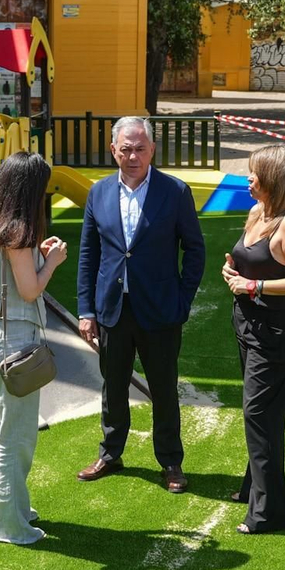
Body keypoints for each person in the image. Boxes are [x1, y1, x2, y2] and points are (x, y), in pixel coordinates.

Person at [76, 116, 206, 493]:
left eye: (141, 148)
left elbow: (194, 250)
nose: (133, 156)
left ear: (152, 150)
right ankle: (110, 453)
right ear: (113, 150)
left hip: (161, 310)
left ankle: (170, 462)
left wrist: (182, 300)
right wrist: (87, 310)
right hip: (112, 309)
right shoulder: (98, 193)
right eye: (126, 148)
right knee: (112, 385)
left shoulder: (175, 191)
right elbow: (89, 255)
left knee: (164, 388)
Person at [0, 152, 68, 545]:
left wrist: (39, 258)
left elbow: (11, 280)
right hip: (14, 342)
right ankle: (10, 524)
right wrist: (54, 261)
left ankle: (4, 507)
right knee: (18, 437)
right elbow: (30, 290)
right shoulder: (18, 230)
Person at [220, 145, 285, 534]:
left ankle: (269, 514)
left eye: (254, 173)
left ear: (273, 178)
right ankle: (255, 489)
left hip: (274, 332)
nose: (248, 179)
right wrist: (234, 268)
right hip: (247, 323)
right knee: (262, 414)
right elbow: (250, 258)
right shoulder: (258, 212)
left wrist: (252, 284)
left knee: (258, 414)